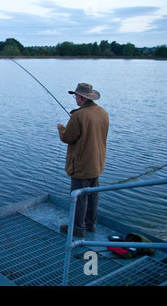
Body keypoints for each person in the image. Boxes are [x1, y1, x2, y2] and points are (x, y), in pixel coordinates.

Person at [57, 83, 109, 238]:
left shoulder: (79, 115)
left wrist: (61, 128)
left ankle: (78, 230)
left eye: (76, 96)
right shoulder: (103, 112)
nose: (75, 99)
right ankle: (90, 225)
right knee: (93, 196)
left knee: (79, 198)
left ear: (82, 97)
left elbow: (68, 137)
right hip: (97, 163)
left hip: (81, 164)